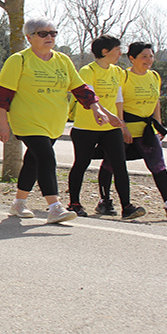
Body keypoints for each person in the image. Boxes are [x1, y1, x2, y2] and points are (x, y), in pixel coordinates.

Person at [0, 17, 118, 224]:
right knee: (46, 158)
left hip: (53, 122)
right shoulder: (19, 60)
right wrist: (2, 123)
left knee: (33, 161)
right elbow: (1, 95)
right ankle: (55, 207)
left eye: (53, 33)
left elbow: (81, 89)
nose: (49, 37)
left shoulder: (63, 60)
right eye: (43, 33)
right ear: (29, 38)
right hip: (27, 121)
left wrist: (97, 108)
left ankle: (18, 204)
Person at [96, 42, 167, 217]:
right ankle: (105, 201)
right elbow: (118, 102)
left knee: (158, 164)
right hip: (125, 129)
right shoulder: (123, 76)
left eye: (151, 56)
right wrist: (122, 127)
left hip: (146, 131)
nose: (149, 60)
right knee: (110, 164)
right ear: (132, 58)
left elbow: (156, 101)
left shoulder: (154, 76)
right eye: (144, 56)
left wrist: (159, 125)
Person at [66, 35, 146, 219]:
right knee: (81, 163)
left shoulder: (117, 72)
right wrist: (109, 116)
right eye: (117, 49)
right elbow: (90, 98)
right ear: (104, 52)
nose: (120, 53)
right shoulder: (88, 71)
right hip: (86, 128)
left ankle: (127, 207)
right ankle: (74, 203)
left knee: (119, 165)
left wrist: (121, 123)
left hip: (110, 129)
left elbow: (119, 98)